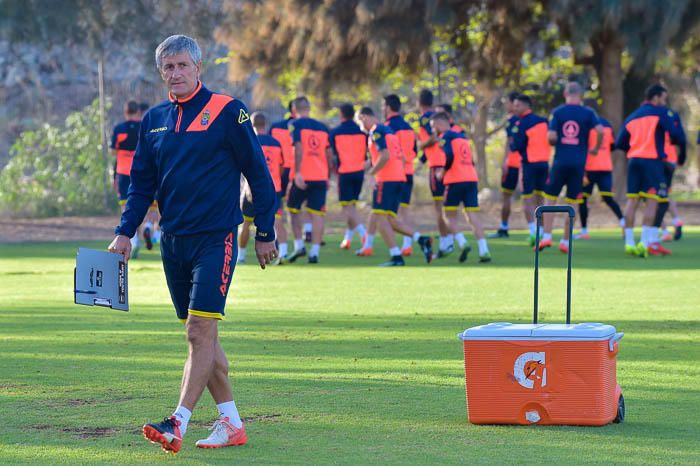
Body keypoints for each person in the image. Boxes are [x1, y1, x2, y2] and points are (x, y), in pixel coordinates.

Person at [107, 35, 278, 453]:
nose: (176, 73)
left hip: (216, 238)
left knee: (200, 331)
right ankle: (232, 424)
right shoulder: (154, 120)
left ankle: (176, 421)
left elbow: (259, 175)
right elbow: (140, 184)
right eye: (168, 67)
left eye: (183, 65)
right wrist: (125, 231)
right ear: (161, 72)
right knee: (203, 336)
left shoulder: (228, 111)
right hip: (173, 242)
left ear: (198, 68)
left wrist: (265, 231)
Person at [356, 106, 433, 266]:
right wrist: (368, 164)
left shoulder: (376, 132)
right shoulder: (389, 132)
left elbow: (385, 156)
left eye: (359, 121)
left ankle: (396, 256)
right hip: (399, 178)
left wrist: (371, 173)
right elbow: (398, 157)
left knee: (380, 218)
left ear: (364, 117)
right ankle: (422, 239)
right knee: (391, 220)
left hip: (386, 180)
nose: (360, 126)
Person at [615, 83, 683, 257]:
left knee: (632, 202)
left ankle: (629, 243)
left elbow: (620, 143)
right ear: (656, 97)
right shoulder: (660, 112)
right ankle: (644, 244)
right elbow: (675, 134)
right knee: (652, 201)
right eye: (663, 99)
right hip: (652, 162)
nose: (664, 102)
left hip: (634, 161)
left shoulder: (632, 117)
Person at [537, 82, 603, 253]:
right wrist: (595, 148)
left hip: (560, 162)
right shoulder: (588, 113)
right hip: (578, 164)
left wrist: (556, 140)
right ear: (580, 95)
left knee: (550, 198)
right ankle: (565, 241)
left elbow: (551, 137)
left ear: (565, 93)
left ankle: (547, 237)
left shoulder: (558, 112)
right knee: (572, 202)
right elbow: (600, 130)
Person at [431, 112, 491, 262]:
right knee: (472, 216)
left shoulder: (446, 137)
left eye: (433, 127)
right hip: (471, 178)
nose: (433, 131)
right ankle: (484, 250)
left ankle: (462, 242)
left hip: (455, 180)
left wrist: (442, 172)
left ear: (439, 124)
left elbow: (449, 156)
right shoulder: (462, 138)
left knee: (448, 215)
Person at [286, 96, 332, 263]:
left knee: (293, 209)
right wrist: (328, 176)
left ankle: (299, 245)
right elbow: (329, 154)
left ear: (294, 110)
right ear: (309, 108)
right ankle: (314, 253)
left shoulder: (294, 125)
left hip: (303, 175)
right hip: (320, 176)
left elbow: (298, 147)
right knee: (317, 214)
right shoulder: (322, 127)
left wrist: (298, 172)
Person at [238, 112, 288, 263]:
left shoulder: (250, 141)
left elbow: (243, 167)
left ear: (251, 125)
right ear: (265, 125)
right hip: (274, 188)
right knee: (277, 220)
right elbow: (281, 166)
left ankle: (241, 256)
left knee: (246, 222)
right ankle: (284, 253)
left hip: (251, 189)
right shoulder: (275, 142)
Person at [577, 105, 625, 239]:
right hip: (605, 167)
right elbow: (612, 146)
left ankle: (584, 231)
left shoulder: (585, 124)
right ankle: (623, 223)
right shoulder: (606, 124)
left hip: (588, 168)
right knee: (609, 199)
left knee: (583, 199)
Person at [510, 94, 551, 246]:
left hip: (529, 165)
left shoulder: (522, 123)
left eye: (517, 105)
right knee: (541, 198)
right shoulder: (544, 121)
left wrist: (513, 145)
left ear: (527, 106)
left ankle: (533, 232)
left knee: (527, 198)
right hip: (544, 165)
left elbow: (517, 146)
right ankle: (543, 231)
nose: (515, 108)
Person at [416, 89, 453, 254]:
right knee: (449, 206)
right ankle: (451, 239)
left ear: (419, 103)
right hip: (448, 163)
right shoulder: (442, 116)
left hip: (437, 165)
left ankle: (447, 242)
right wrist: (421, 161)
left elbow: (434, 138)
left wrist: (420, 146)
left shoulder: (426, 119)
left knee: (439, 207)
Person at [330, 103, 368, 250]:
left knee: (347, 207)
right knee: (351, 206)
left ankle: (363, 233)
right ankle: (348, 238)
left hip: (345, 172)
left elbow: (332, 154)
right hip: (359, 172)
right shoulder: (362, 132)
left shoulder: (336, 132)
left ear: (341, 114)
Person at [384, 94, 418, 256]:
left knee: (381, 211)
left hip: (393, 174)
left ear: (388, 107)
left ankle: (368, 243)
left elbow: (388, 151)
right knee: (404, 210)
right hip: (409, 173)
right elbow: (415, 152)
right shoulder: (409, 128)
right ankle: (407, 244)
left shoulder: (388, 127)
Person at [110, 100, 143, 257]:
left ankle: (133, 240)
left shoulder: (119, 129)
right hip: (141, 171)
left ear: (125, 112)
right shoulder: (144, 127)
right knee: (144, 205)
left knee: (126, 208)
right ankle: (148, 229)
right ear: (138, 112)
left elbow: (112, 152)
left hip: (123, 172)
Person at [490, 91, 521, 238]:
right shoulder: (529, 119)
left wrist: (505, 162)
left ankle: (504, 227)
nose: (506, 106)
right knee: (534, 197)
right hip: (529, 163)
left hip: (514, 163)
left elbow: (509, 143)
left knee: (507, 196)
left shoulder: (512, 120)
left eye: (507, 102)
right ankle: (537, 230)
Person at [657, 108, 686, 241]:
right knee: (665, 194)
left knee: (651, 197)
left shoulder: (654, 113)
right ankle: (677, 220)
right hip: (672, 159)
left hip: (658, 159)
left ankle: (664, 231)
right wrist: (681, 158)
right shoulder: (672, 116)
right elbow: (681, 137)